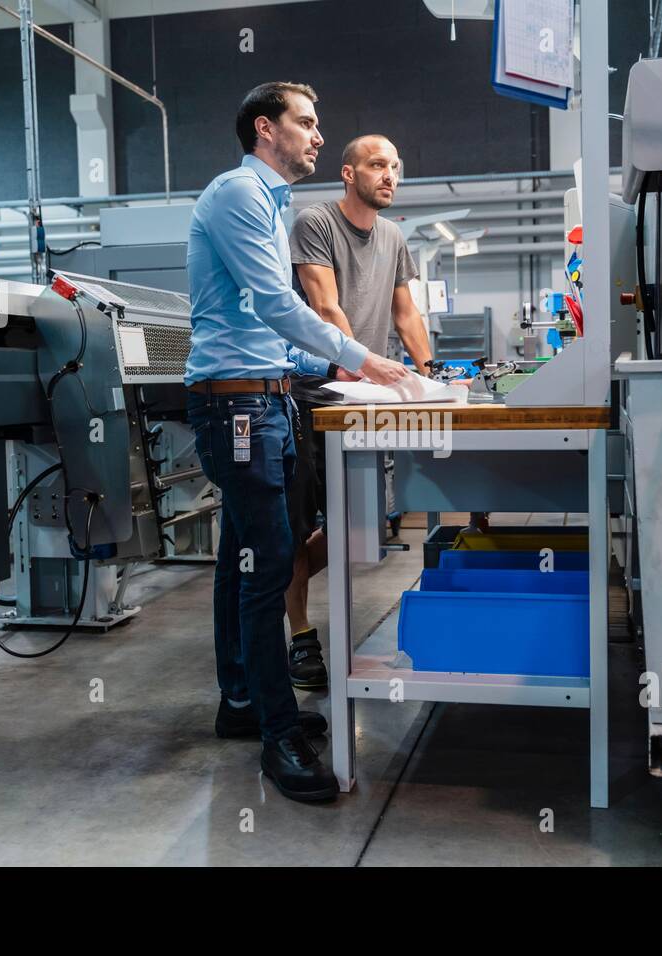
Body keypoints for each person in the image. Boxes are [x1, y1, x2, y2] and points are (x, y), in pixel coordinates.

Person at [184, 82, 410, 803]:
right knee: (270, 560)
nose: (317, 136)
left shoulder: (271, 205)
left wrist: (342, 364)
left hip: (267, 398)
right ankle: (278, 735)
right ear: (264, 129)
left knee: (241, 559)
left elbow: (269, 334)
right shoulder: (237, 195)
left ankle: (243, 704)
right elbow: (278, 305)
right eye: (305, 123)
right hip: (238, 409)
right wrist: (360, 354)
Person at [282, 134, 432, 688]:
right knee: (296, 528)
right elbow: (324, 305)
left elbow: (406, 313)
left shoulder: (393, 236)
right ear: (348, 173)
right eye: (377, 165)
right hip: (310, 394)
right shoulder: (315, 223)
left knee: (363, 523)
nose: (389, 175)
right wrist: (361, 362)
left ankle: (287, 589)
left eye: (395, 166)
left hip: (365, 401)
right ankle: (300, 635)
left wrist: (433, 372)